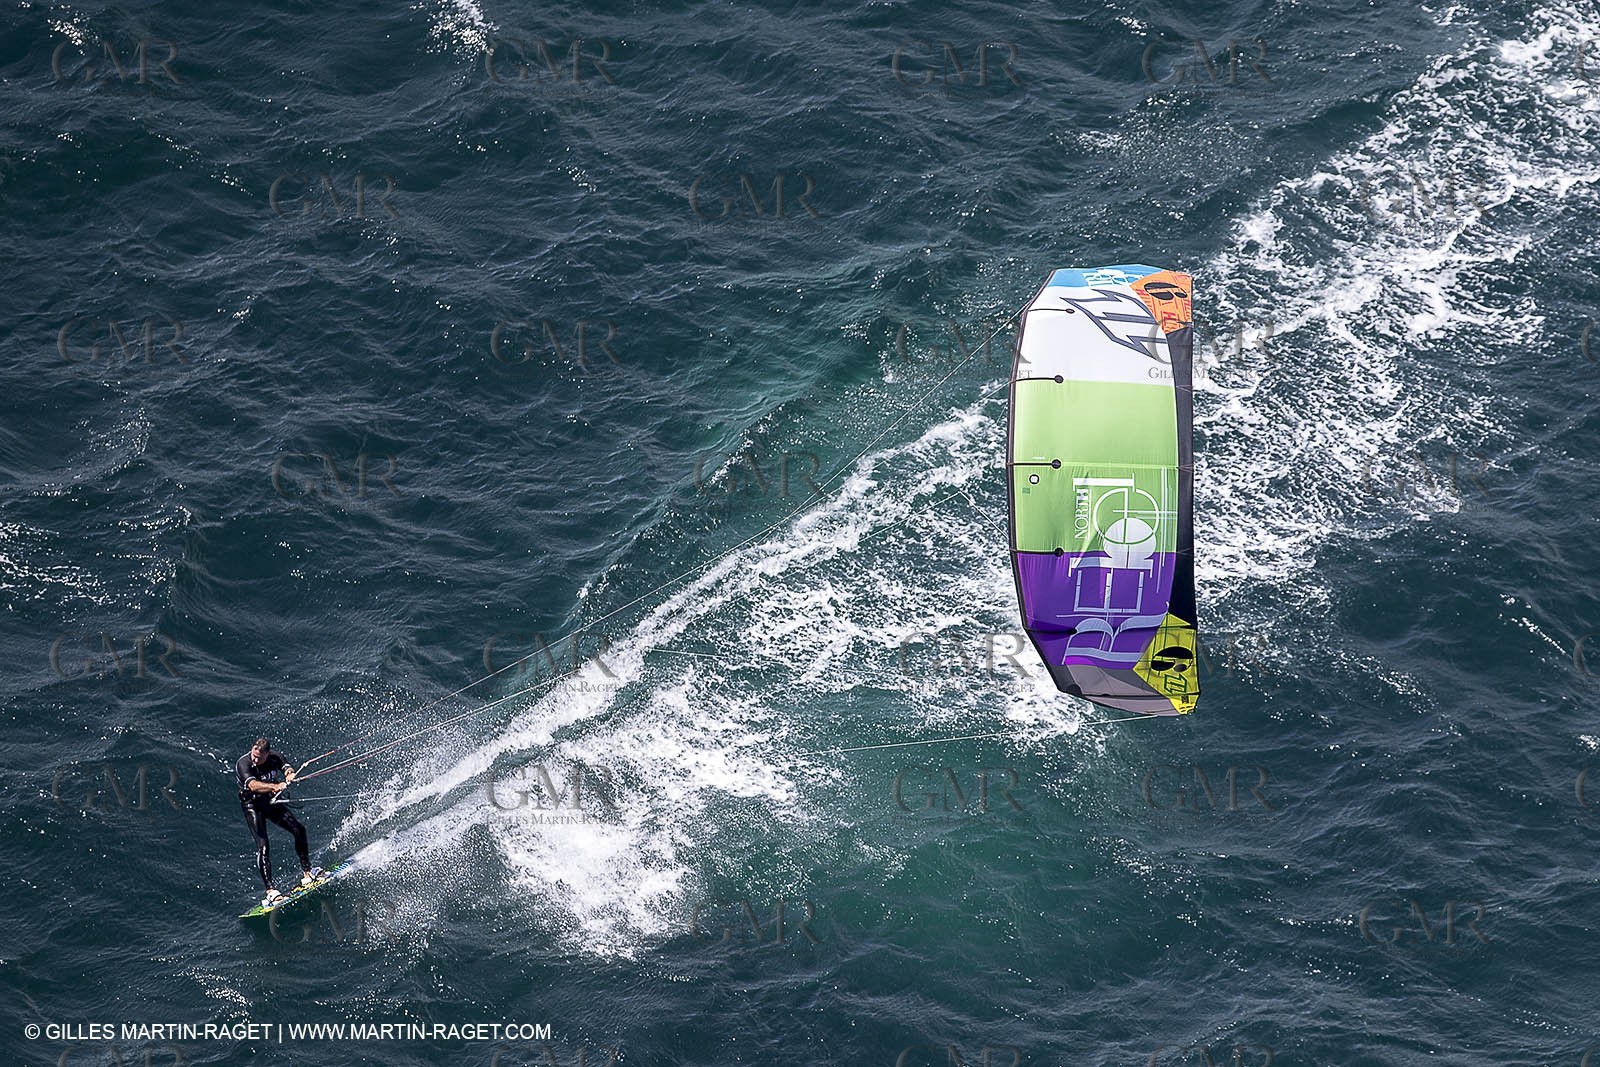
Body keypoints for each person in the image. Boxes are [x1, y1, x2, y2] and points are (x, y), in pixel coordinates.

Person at [236, 737, 323, 906]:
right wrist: (275, 787)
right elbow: (253, 785)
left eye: (259, 758)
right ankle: (270, 891)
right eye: (254, 755)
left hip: (270, 802)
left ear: (267, 754)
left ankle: (307, 873)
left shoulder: (275, 757)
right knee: (263, 845)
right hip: (252, 805)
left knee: (299, 829)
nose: (255, 760)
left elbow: (287, 768)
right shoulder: (243, 763)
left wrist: (290, 775)